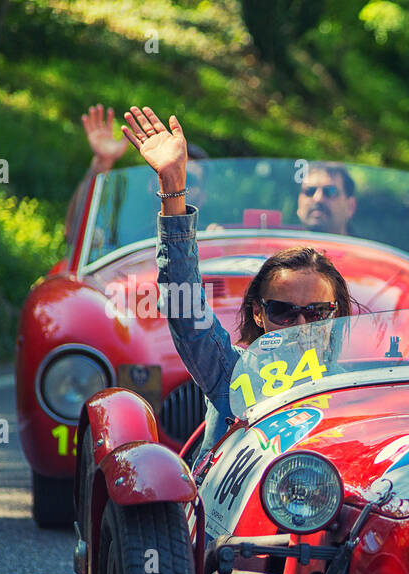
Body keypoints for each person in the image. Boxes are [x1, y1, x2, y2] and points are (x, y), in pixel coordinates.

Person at [120, 105, 352, 464]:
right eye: (283, 312)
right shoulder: (232, 373)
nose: (302, 326)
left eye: (317, 313)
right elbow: (185, 308)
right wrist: (173, 188)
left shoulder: (358, 392)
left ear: (336, 314)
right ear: (259, 314)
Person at [65, 103, 208, 248]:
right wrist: (101, 164)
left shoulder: (214, 241)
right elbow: (75, 233)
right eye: (163, 174)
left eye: (187, 179)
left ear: (203, 196)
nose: (175, 181)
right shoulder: (123, 239)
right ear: (151, 184)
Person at [296, 162, 357, 235]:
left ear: (350, 206)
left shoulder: (365, 246)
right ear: (299, 201)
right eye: (310, 191)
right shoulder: (282, 240)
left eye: (330, 191)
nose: (318, 198)